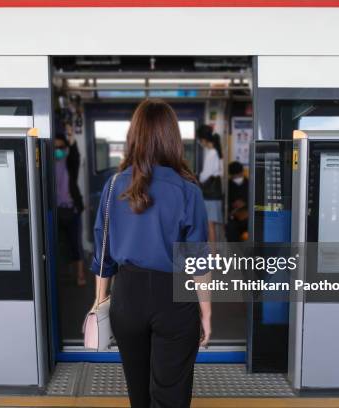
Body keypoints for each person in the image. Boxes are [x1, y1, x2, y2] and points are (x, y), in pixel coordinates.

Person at [90, 99, 212, 408]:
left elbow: (102, 254)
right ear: (173, 138)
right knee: (171, 393)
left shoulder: (114, 185)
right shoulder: (188, 190)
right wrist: (206, 313)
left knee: (138, 393)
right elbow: (198, 260)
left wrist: (99, 302)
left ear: (135, 135)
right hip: (174, 295)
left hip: (126, 297)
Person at [54, 130, 86, 286]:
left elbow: (76, 156)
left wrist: (71, 137)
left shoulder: (69, 163)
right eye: (55, 148)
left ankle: (80, 275)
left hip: (72, 210)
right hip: (56, 211)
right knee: (60, 245)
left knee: (76, 244)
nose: (58, 150)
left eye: (60, 147)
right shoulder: (48, 164)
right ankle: (64, 273)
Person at [196, 125, 224, 242]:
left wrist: (197, 178)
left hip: (210, 194)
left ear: (203, 139)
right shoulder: (217, 152)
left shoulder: (211, 153)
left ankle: (212, 256)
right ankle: (216, 253)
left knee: (210, 225)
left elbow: (205, 175)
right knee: (214, 225)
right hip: (215, 191)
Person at [226, 161, 249, 242]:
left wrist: (245, 203)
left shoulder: (250, 184)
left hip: (248, 217)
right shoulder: (228, 185)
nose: (237, 178)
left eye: (239, 175)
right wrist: (233, 207)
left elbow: (256, 201)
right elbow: (225, 203)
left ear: (242, 173)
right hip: (234, 218)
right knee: (230, 229)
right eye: (234, 176)